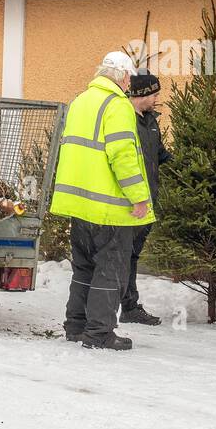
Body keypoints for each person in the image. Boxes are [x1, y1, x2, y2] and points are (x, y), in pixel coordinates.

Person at [50, 51, 153, 350]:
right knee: (110, 269)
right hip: (108, 207)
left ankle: (76, 325)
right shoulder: (117, 106)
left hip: (78, 205)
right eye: (130, 78)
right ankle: (99, 333)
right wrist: (139, 198)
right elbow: (122, 156)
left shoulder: (81, 101)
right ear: (122, 76)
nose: (130, 83)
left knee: (83, 268)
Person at [121, 71, 170, 326]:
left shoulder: (151, 121)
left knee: (132, 254)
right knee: (123, 254)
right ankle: (124, 305)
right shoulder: (125, 120)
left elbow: (159, 154)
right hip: (129, 202)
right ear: (140, 94)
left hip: (147, 199)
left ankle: (128, 306)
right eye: (154, 93)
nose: (157, 98)